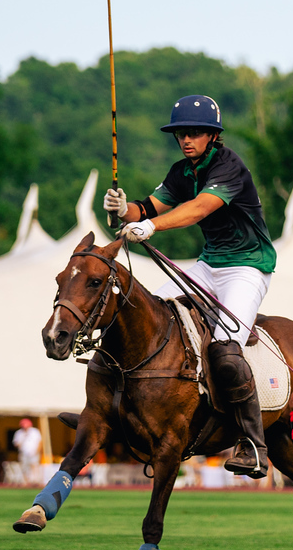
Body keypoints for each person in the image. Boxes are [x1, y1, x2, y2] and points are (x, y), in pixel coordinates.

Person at [106, 95, 277, 477]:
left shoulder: (229, 166)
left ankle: (253, 444)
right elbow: (148, 207)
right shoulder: (181, 171)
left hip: (247, 267)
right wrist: (125, 208)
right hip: (210, 264)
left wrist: (150, 227)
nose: (187, 139)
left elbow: (199, 208)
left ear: (213, 136)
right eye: (182, 133)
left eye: (196, 133)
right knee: (164, 322)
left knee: (225, 349)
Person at [12, 418, 44, 485]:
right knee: (24, 467)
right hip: (23, 453)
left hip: (34, 452)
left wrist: (37, 451)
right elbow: (16, 443)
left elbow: (40, 442)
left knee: (34, 466)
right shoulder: (19, 433)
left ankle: (35, 481)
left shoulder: (35, 431)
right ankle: (26, 482)